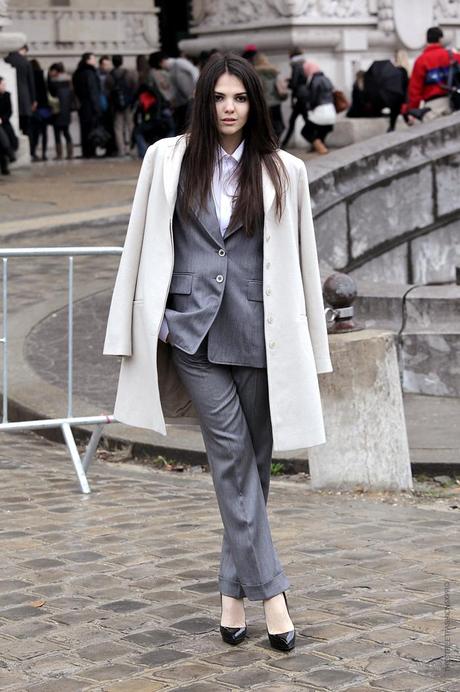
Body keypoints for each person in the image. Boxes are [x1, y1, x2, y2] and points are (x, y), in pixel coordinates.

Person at [103, 53, 332, 651]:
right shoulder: (167, 159)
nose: (229, 108)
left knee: (253, 468)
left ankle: (232, 595)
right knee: (232, 460)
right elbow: (141, 241)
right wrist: (145, 320)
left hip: (261, 335)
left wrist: (313, 344)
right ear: (203, 102)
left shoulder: (286, 170)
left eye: (239, 98)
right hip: (191, 334)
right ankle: (276, 598)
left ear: (255, 104)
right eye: (218, 98)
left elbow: (302, 265)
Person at [402, 26, 460, 121]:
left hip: (433, 107)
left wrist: (411, 110)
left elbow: (414, 91)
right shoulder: (455, 57)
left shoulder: (421, 61)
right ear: (440, 39)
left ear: (427, 40)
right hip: (455, 103)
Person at [5, 44, 36, 151]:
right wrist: (33, 100)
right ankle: (30, 151)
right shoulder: (25, 62)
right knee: (27, 129)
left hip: (11, 98)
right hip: (25, 99)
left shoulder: (6, 60)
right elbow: (31, 83)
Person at [300, 60, 336, 154]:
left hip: (321, 111)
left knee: (305, 131)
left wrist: (309, 108)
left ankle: (320, 147)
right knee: (321, 130)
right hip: (331, 111)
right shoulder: (326, 78)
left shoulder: (314, 80)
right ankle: (320, 146)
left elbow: (313, 97)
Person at [105, 55, 136, 157]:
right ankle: (132, 148)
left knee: (118, 127)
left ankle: (121, 150)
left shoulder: (110, 75)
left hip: (116, 105)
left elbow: (107, 90)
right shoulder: (129, 73)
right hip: (128, 104)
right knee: (130, 126)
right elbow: (134, 87)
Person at [72, 52, 102, 158]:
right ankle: (91, 151)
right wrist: (97, 107)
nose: (95, 61)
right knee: (91, 129)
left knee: (84, 129)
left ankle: (86, 151)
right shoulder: (90, 73)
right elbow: (93, 91)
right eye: (93, 59)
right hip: (90, 105)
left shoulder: (77, 73)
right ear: (87, 60)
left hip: (82, 105)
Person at [253, 52, 287, 140]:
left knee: (267, 126)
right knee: (279, 125)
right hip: (275, 101)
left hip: (263, 103)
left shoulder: (255, 73)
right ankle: (276, 142)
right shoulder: (274, 72)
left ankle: (271, 143)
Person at [280, 47, 309, 148]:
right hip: (303, 96)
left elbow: (295, 84)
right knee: (304, 121)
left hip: (299, 97)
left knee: (293, 122)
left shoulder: (296, 65)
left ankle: (284, 144)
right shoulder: (303, 63)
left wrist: (287, 83)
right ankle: (317, 142)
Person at [165, 54, 199, 134]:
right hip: (184, 100)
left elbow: (193, 70)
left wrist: (197, 86)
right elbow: (173, 88)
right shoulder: (171, 71)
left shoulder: (179, 63)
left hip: (192, 97)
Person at [48, 62, 74, 160]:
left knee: (57, 133)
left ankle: (59, 154)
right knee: (66, 132)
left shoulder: (53, 82)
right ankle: (70, 154)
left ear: (56, 71)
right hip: (66, 110)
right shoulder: (69, 81)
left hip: (56, 110)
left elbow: (50, 96)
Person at [30, 59, 52, 162]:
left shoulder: (30, 75)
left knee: (35, 132)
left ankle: (33, 152)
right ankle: (44, 153)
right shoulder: (43, 74)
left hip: (34, 107)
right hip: (44, 106)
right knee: (44, 132)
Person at [0, 76, 18, 156]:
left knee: (12, 137)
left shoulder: (7, 95)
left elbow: (9, 111)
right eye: (2, 85)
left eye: (4, 85)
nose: (4, 86)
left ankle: (11, 153)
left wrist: (2, 119)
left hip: (5, 120)